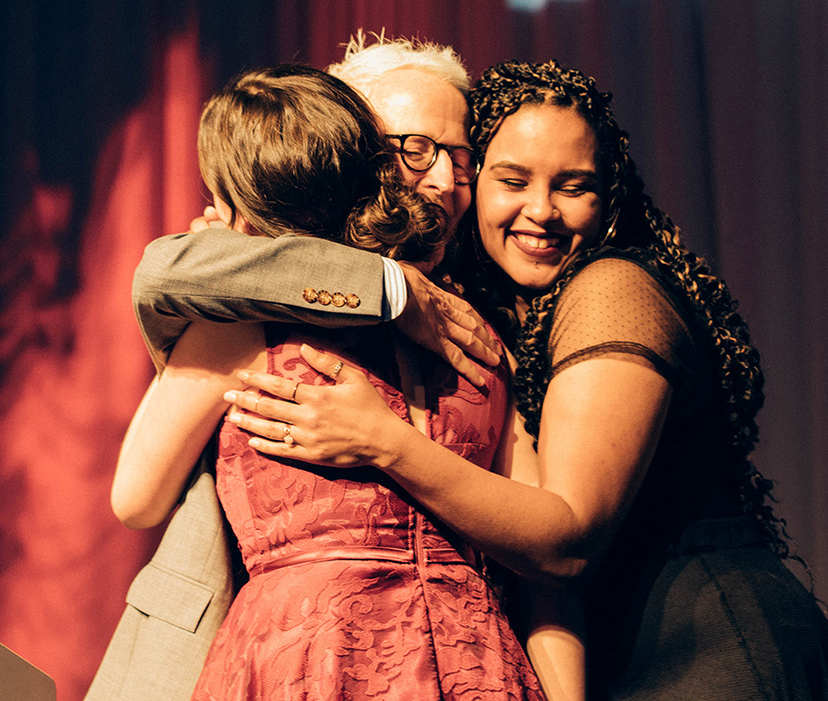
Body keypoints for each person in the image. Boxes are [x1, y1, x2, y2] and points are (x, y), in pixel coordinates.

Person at [220, 60, 828, 700]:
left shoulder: (610, 289)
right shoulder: (469, 311)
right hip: (623, 650)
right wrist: (387, 285)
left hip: (705, 650)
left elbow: (568, 543)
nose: (541, 211)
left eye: (573, 185)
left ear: (609, 198)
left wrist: (386, 441)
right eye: (512, 179)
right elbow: (176, 270)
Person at [110, 63, 546, 700]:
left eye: (461, 156)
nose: (447, 179)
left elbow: (135, 498)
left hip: (310, 653)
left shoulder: (239, 324)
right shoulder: (471, 334)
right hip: (472, 657)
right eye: (418, 150)